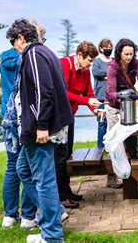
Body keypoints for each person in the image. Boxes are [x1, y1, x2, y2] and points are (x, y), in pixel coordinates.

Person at [7, 19, 74, 243]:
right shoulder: (46, 53)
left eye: (13, 40)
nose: (13, 46)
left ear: (21, 38)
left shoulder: (33, 54)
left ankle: (52, 236)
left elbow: (43, 91)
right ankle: (53, 217)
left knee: (44, 180)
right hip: (40, 127)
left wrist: (41, 126)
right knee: (22, 170)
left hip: (40, 130)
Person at [0, 20, 46, 229]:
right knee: (29, 167)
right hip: (23, 117)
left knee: (12, 167)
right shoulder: (28, 57)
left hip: (7, 117)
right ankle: (27, 216)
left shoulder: (4, 57)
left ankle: (9, 216)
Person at [57, 41, 101, 208]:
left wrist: (95, 110)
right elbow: (64, 93)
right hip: (59, 117)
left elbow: (88, 92)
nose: (90, 64)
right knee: (60, 157)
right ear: (80, 55)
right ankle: (61, 196)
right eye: (89, 60)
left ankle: (67, 191)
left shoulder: (85, 69)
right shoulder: (64, 64)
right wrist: (86, 100)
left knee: (67, 154)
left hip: (70, 116)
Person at [105, 38, 138, 188]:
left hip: (129, 105)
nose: (129, 57)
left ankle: (135, 173)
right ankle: (113, 175)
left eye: (131, 54)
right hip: (114, 106)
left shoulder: (136, 63)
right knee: (114, 141)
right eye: (126, 54)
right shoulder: (113, 66)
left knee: (131, 137)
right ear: (119, 53)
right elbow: (110, 91)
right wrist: (122, 98)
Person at [92, 38, 113, 148]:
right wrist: (109, 74)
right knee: (101, 123)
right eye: (106, 47)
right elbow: (96, 72)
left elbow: (117, 73)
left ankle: (112, 147)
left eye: (110, 47)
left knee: (113, 123)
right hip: (100, 97)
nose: (108, 49)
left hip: (113, 97)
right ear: (100, 48)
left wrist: (107, 76)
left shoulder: (113, 60)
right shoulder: (97, 61)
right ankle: (100, 147)